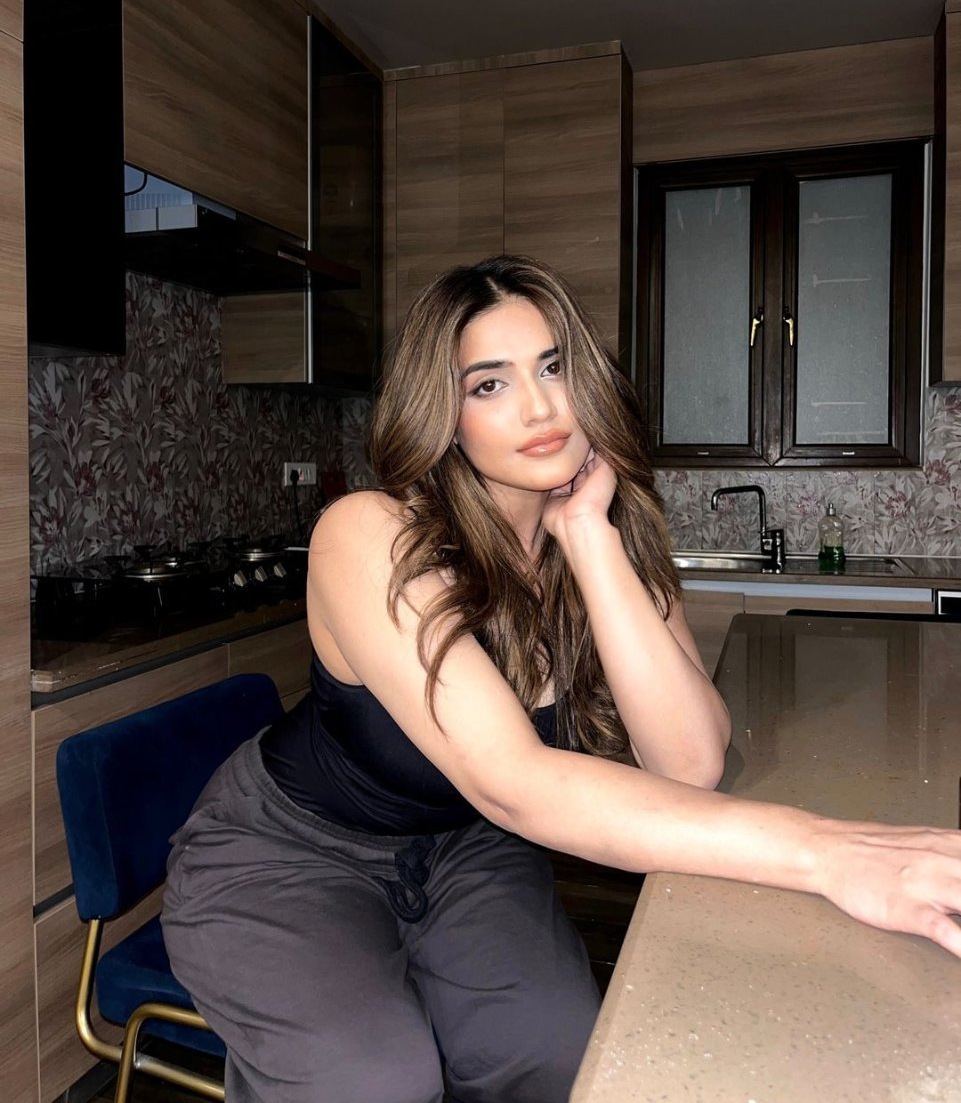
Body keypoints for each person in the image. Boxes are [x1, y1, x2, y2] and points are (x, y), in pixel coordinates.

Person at [162, 254, 961, 1103]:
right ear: (443, 414)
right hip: (289, 852)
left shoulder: (608, 537)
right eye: (488, 384)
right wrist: (827, 852)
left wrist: (586, 535)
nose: (540, 408)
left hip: (464, 845)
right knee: (372, 1080)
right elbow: (515, 783)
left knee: (556, 1054)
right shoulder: (369, 534)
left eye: (554, 368)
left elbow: (687, 763)